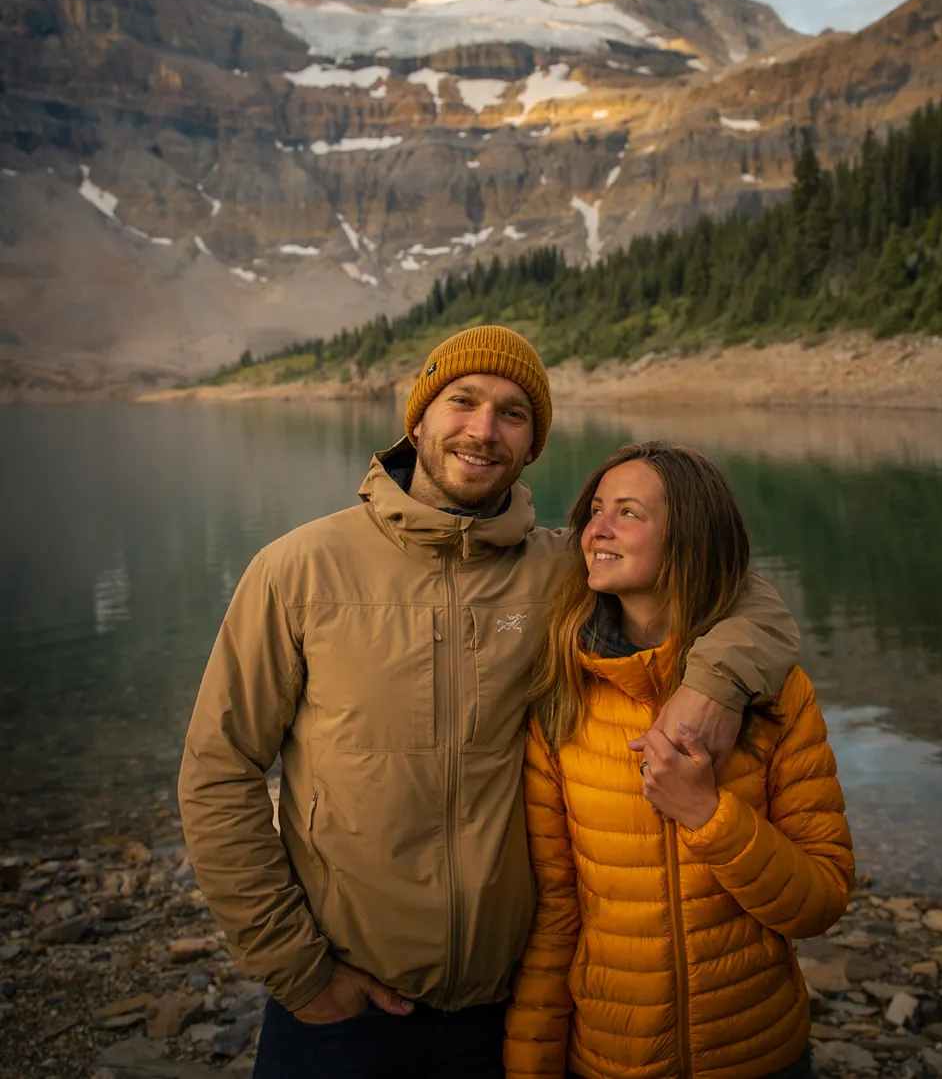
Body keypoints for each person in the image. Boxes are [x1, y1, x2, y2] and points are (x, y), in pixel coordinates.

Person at [178, 327, 802, 1079]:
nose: (483, 430)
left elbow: (740, 593)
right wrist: (299, 973)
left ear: (533, 443)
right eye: (462, 401)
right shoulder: (298, 570)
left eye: (513, 413)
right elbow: (219, 770)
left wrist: (714, 685)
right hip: (341, 1009)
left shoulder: (562, 572)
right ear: (417, 420)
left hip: (506, 1012)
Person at [505, 441, 854, 1079]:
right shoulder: (561, 697)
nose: (596, 530)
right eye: (596, 510)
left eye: (629, 513)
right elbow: (558, 916)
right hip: (612, 1059)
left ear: (689, 538)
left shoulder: (777, 695)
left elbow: (821, 903)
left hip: (759, 1055)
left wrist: (708, 815)